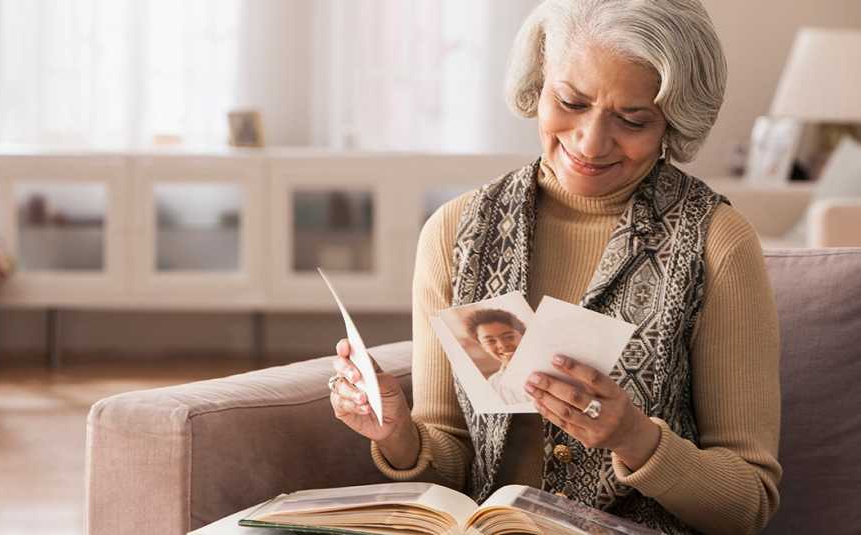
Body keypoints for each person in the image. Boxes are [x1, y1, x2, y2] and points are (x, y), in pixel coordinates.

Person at [328, 1, 781, 533]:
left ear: (672, 122)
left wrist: (635, 437)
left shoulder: (716, 242)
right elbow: (451, 459)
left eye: (632, 119)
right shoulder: (455, 232)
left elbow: (748, 503)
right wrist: (396, 431)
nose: (589, 142)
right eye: (571, 101)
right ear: (539, 82)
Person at [463, 308, 526, 404]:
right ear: (483, 347)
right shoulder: (493, 385)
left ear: (524, 335)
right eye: (490, 341)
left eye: (509, 337)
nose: (502, 345)